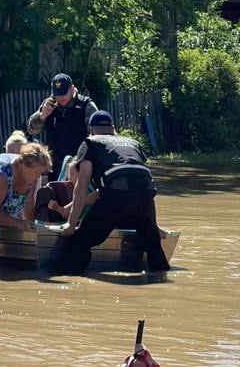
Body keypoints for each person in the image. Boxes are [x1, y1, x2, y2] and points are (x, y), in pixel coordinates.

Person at [58, 110, 169, 274]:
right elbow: (139, 179)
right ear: (113, 128)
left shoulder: (90, 143)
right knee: (153, 245)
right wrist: (153, 225)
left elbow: (81, 187)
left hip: (117, 195)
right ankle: (160, 278)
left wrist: (71, 224)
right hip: (145, 194)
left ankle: (71, 278)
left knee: (80, 242)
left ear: (91, 130)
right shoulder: (133, 143)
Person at [26, 73, 97, 182]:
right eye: (57, 94)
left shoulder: (86, 105)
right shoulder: (49, 105)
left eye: (64, 93)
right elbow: (31, 129)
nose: (60, 98)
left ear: (72, 89)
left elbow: (96, 136)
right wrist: (42, 116)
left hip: (77, 167)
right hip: (54, 168)